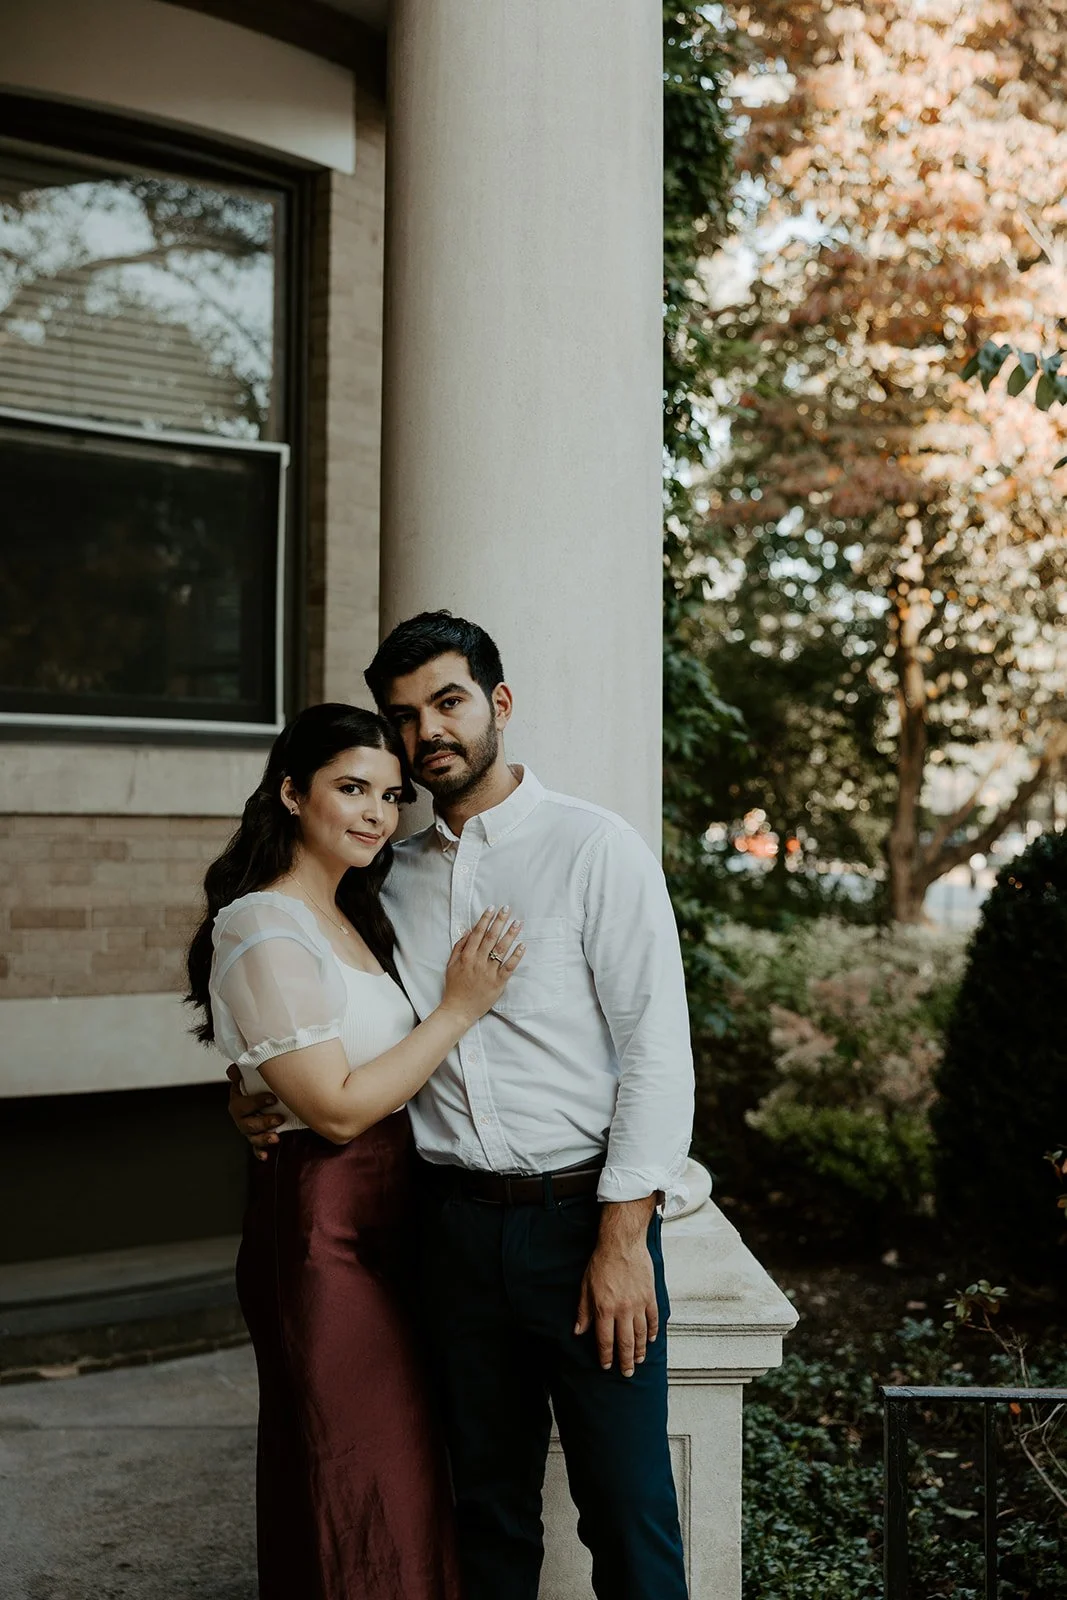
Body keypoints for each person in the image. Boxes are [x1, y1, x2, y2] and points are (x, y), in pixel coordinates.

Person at [232, 614, 695, 1600]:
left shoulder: (592, 848)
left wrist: (623, 1240)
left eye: (447, 701)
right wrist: (250, 1093)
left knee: (627, 1515)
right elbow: (314, 1011)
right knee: (481, 1517)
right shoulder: (381, 876)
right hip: (445, 1232)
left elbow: (658, 1050)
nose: (427, 731)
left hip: (581, 1230)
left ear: (498, 703)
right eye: (404, 717)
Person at [186, 702, 525, 1600]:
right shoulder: (260, 922)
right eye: (351, 789)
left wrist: (247, 1096)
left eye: (390, 795)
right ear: (292, 793)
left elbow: (310, 1068)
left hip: (399, 1224)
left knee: (404, 1484)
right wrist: (459, 1007)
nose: (377, 813)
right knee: (353, 1480)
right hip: (325, 1238)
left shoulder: (351, 916)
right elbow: (334, 1113)